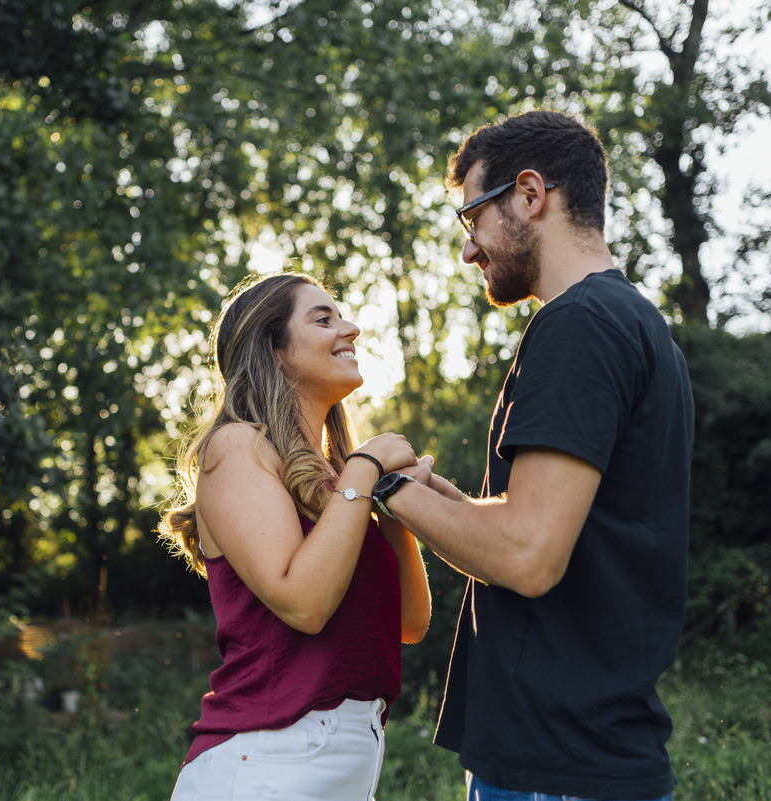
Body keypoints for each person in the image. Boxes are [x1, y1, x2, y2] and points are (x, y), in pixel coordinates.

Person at [372, 110, 694, 800]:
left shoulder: (577, 325)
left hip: (559, 765)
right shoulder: (636, 324)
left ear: (528, 193)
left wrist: (380, 488)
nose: (469, 251)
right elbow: (558, 525)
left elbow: (528, 556)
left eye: (471, 220)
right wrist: (438, 497)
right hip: (591, 758)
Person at [158, 271, 432, 801]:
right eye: (323, 318)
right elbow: (304, 605)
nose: (350, 328)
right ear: (275, 350)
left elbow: (411, 624)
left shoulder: (341, 485)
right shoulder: (239, 447)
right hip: (266, 764)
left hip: (346, 768)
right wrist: (365, 467)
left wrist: (393, 503)